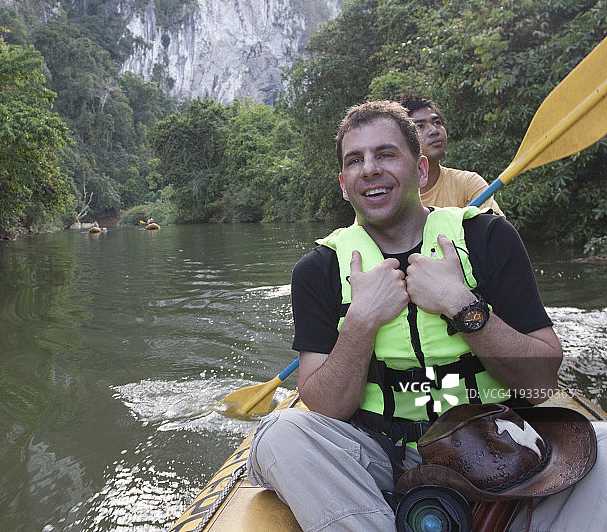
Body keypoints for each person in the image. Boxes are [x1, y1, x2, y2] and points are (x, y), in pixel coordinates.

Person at [245, 100, 606, 530]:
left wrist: (461, 305)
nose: (370, 169)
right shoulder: (318, 270)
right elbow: (324, 406)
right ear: (344, 185)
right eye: (355, 161)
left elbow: (541, 382)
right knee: (278, 434)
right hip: (381, 456)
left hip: (499, 442)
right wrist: (361, 321)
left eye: (385, 154)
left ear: (420, 171)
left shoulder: (487, 237)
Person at [399, 94, 504, 216]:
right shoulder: (392, 196)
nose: (434, 131)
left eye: (437, 122)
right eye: (420, 126)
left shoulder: (467, 183)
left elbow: (495, 230)